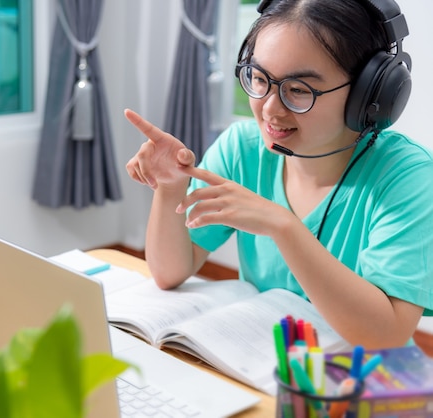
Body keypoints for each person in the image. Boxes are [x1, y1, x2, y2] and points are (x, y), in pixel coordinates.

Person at [124, 0, 433, 349]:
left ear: (369, 94)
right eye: (259, 79)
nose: (269, 109)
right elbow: (169, 273)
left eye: (299, 90)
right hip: (264, 364)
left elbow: (387, 335)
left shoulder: (408, 177)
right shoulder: (242, 148)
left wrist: (283, 226)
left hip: (366, 385)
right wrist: (171, 188)